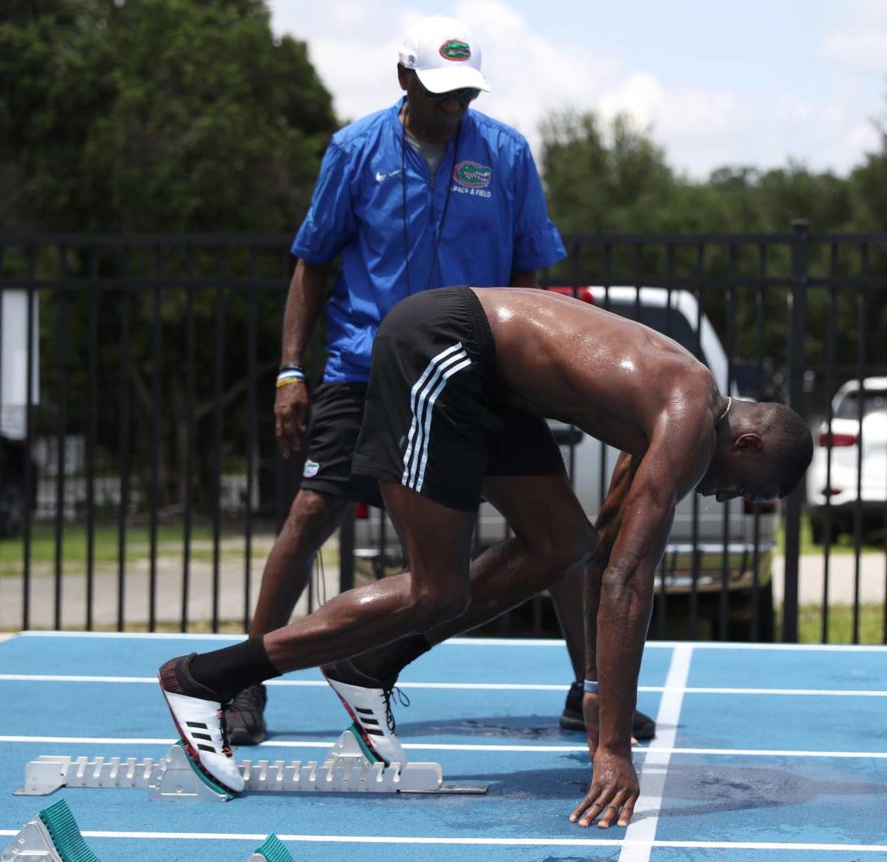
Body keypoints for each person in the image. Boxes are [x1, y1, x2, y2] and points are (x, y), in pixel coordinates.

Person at [159, 286, 814, 827]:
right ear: (749, 444)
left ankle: (368, 666)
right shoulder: (686, 414)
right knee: (434, 591)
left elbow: (607, 540)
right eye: (740, 487)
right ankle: (206, 678)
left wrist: (594, 689)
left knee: (564, 545)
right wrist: (611, 749)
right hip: (444, 348)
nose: (726, 495)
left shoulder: (677, 396)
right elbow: (629, 580)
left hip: (496, 385)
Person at [227, 14, 656, 745]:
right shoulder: (354, 150)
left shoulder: (508, 155)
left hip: (479, 371)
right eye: (438, 94)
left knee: (560, 534)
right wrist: (291, 371)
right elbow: (313, 262)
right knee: (309, 516)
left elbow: (530, 271)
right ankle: (240, 689)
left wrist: (528, 366)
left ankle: (586, 689)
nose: (452, 109)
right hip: (366, 369)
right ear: (404, 78)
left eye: (464, 95)